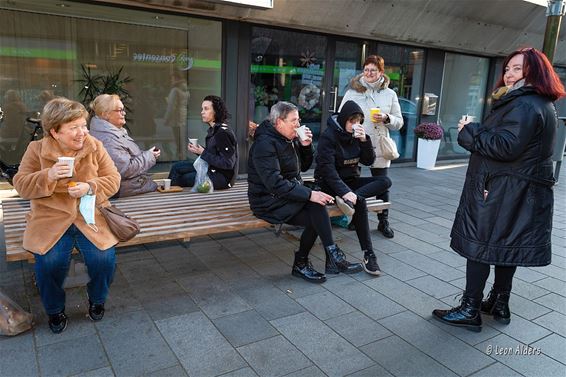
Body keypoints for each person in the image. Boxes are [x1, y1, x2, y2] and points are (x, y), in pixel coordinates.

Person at [432, 47, 565, 332]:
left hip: (503, 189)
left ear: (534, 72)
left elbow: (505, 147)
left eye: (517, 68)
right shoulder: (540, 103)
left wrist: (469, 131)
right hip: (519, 189)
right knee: (506, 245)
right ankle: (499, 302)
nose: (508, 74)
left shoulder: (525, 104)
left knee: (480, 245)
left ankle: (470, 308)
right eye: (507, 69)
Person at [13, 97, 121, 334]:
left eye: (83, 125)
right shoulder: (36, 149)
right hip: (50, 218)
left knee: (104, 259)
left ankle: (97, 300)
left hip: (89, 215)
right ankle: (54, 310)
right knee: (49, 263)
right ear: (55, 131)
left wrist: (90, 187)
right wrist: (48, 176)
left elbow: (114, 179)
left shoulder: (94, 145)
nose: (82, 132)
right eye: (74, 128)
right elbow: (20, 185)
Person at [248, 101, 362, 284]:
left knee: (317, 208)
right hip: (268, 201)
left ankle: (324, 259)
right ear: (279, 122)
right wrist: (309, 194)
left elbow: (305, 167)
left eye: (298, 120)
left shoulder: (288, 138)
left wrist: (306, 146)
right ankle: (319, 260)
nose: (298, 125)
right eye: (294, 120)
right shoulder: (264, 145)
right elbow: (274, 183)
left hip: (287, 195)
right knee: (316, 211)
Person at [315, 100, 392, 275]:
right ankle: (369, 254)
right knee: (361, 202)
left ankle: (353, 198)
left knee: (384, 181)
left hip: (351, 183)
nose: (355, 125)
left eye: (358, 121)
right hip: (329, 185)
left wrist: (364, 140)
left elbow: (368, 161)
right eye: (352, 121)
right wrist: (345, 192)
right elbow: (328, 172)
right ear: (343, 120)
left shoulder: (358, 137)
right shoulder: (329, 137)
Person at [340, 55, 403, 238]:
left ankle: (383, 221)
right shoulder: (353, 91)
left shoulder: (390, 94)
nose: (368, 73)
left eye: (373, 70)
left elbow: (399, 122)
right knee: (352, 182)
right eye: (366, 69)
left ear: (381, 72)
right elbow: (341, 116)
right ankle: (354, 218)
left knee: (381, 184)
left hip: (379, 145)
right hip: (355, 143)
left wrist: (386, 118)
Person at [89, 94, 159, 197]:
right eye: (119, 110)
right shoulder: (108, 139)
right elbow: (125, 170)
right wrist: (149, 156)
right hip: (126, 192)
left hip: (130, 188)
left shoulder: (110, 132)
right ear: (105, 114)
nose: (124, 113)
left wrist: (148, 154)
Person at [168, 95, 238, 189]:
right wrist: (198, 150)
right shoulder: (214, 129)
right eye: (202, 109)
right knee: (177, 167)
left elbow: (228, 163)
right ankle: (170, 191)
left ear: (216, 111)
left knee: (182, 178)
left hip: (221, 178)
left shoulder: (222, 133)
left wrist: (203, 152)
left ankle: (173, 198)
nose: (202, 112)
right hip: (211, 168)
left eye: (206, 109)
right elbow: (214, 154)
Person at [164, 70, 190, 158]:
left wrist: (166, 119)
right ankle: (182, 155)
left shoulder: (175, 90)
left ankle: (178, 156)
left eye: (172, 79)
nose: (171, 81)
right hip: (183, 115)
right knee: (181, 139)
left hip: (175, 117)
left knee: (176, 139)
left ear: (176, 78)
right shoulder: (185, 90)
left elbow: (171, 107)